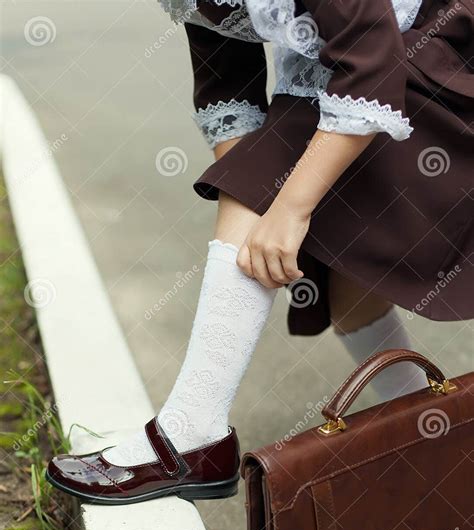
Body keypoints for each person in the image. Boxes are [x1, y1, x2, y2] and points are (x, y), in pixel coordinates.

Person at [47, 0, 473, 504]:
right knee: (347, 290)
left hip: (439, 67)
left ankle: (190, 430)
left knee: (297, 173)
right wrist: (256, 193)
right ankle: (444, 441)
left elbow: (372, 62)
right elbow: (228, 84)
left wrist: (288, 209)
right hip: (359, 72)